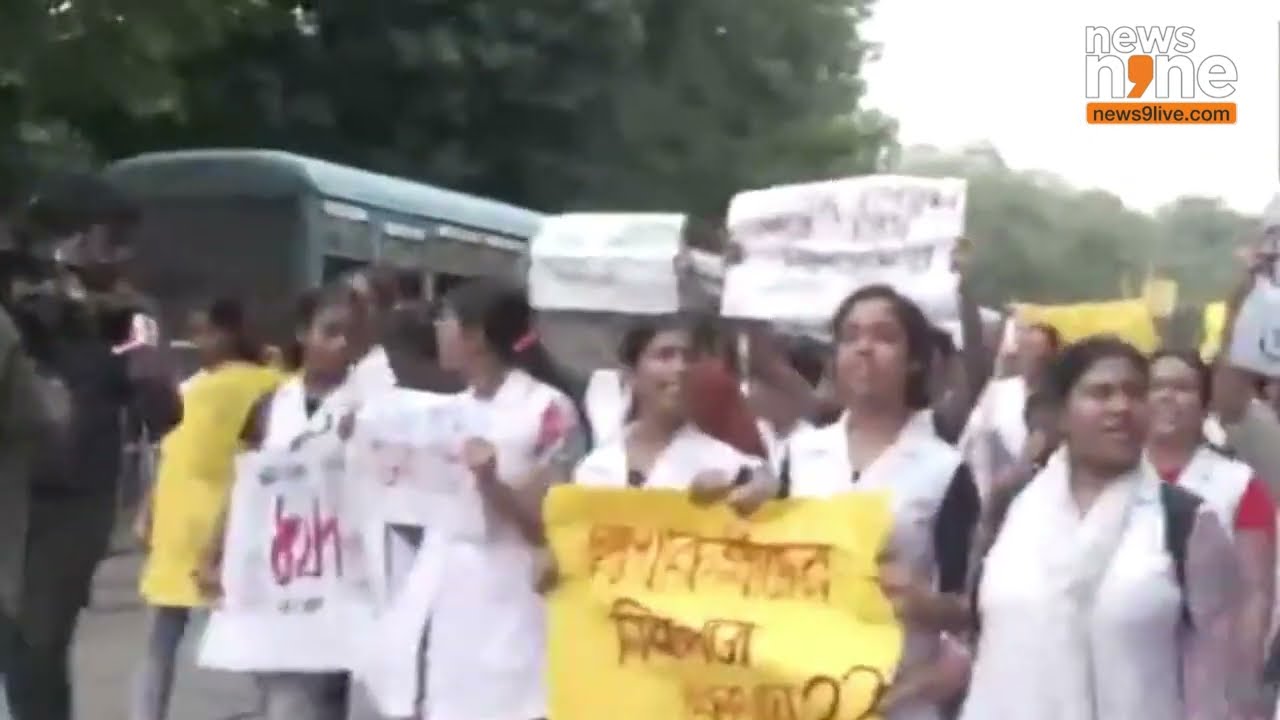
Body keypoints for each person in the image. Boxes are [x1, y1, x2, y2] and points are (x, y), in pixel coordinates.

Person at [962, 338, 1239, 719]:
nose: (1121, 407)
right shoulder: (1012, 510)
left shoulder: (1185, 521)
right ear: (1061, 414)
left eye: (1134, 393)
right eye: (1100, 393)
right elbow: (980, 638)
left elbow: (1213, 674)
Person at [2, 242, 180, 720]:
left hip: (77, 502)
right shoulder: (24, 319)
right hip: (16, 492)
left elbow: (164, 411)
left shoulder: (127, 324)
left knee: (37, 642)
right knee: (16, 645)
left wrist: (139, 348)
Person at [786, 284, 980, 719]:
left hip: (899, 700)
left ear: (913, 360)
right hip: (800, 696)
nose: (864, 349)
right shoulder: (799, 454)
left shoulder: (944, 469)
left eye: (884, 337)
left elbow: (967, 609)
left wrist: (923, 603)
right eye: (850, 337)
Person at [424, 278, 590, 720]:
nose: (437, 329)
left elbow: (547, 521)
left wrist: (490, 483)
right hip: (456, 592)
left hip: (516, 591)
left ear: (475, 334)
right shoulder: (446, 410)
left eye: (445, 319)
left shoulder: (545, 410)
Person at [198, 285, 359, 720]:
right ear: (303, 335)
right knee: (287, 694)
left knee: (325, 692)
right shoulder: (273, 405)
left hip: (343, 572)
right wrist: (214, 551)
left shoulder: (370, 405)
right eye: (330, 332)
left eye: (350, 334)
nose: (342, 344)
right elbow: (246, 484)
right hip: (278, 571)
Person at [130, 299, 282, 720]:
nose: (199, 341)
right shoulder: (200, 383)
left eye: (206, 332)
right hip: (180, 519)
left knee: (247, 634)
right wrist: (148, 507)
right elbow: (172, 451)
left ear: (230, 332)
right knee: (162, 636)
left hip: (227, 519)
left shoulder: (267, 384)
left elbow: (263, 455)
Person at [1146, 349, 1275, 717]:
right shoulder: (1113, 479)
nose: (1168, 396)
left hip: (1205, 668)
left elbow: (1257, 592)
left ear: (1204, 406)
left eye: (1183, 387)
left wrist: (1244, 678)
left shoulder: (1237, 484)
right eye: (1156, 387)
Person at [575, 318, 767, 496]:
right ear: (632, 374)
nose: (680, 368)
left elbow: (760, 477)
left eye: (690, 358)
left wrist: (760, 480)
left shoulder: (722, 463)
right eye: (665, 356)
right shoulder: (595, 464)